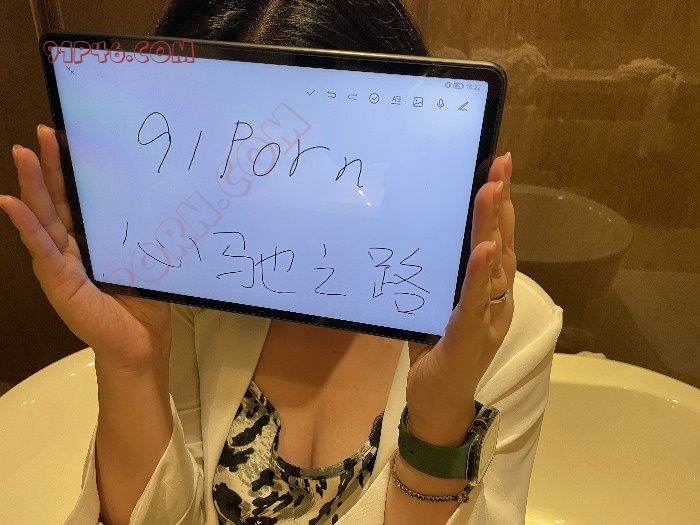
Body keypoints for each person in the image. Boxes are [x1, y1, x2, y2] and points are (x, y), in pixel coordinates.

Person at [0, 1, 563, 524]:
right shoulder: (194, 288)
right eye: (222, 158)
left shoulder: (499, 330)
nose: (259, 194)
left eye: (311, 159)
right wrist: (131, 363)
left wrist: (439, 422)